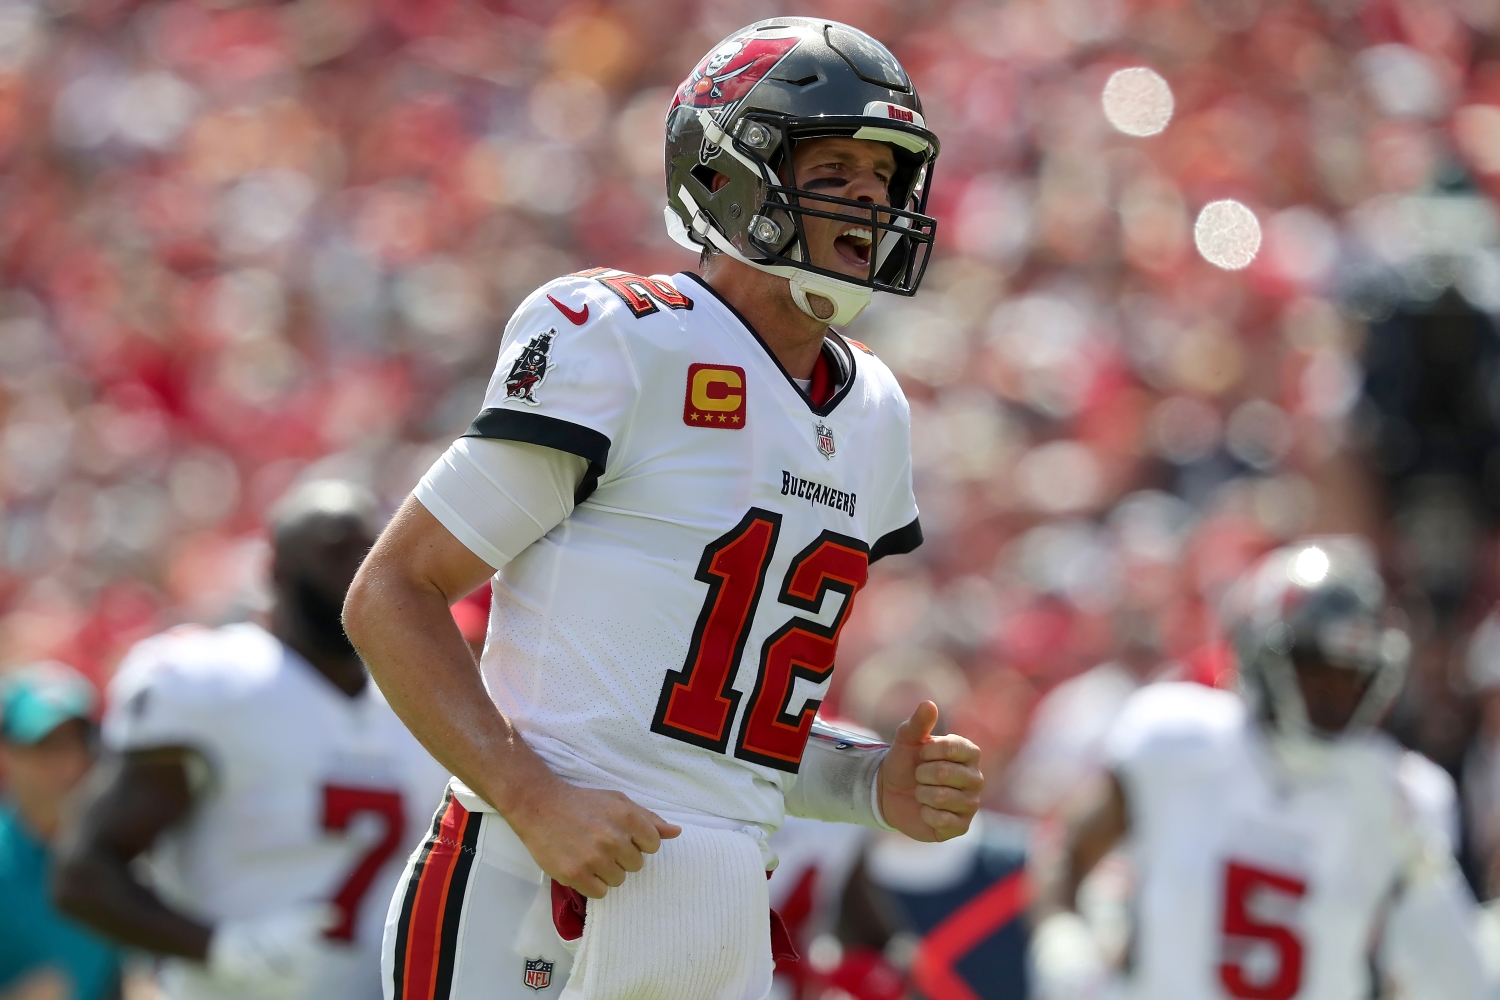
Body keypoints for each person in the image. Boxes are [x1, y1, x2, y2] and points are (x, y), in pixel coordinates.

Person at [342, 17, 984, 1000]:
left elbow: (716, 735)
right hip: (540, 877)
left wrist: (867, 788)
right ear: (735, 171)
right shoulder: (623, 338)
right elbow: (392, 592)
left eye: (885, 176)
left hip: (716, 904)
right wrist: (530, 793)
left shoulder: (875, 411)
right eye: (837, 167)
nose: (871, 198)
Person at [1029, 536, 1488, 1000]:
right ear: (1259, 652)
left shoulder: (1402, 794)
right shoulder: (1176, 742)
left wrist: (1421, 870)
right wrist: (1063, 946)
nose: (1334, 694)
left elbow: (1456, 984)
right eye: (1315, 668)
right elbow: (1069, 849)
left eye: (1353, 674)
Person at [53, 481, 451, 1000]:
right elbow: (83, 872)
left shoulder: (415, 696)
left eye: (370, 550)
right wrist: (223, 949)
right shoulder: (209, 684)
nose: (358, 568)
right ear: (277, 572)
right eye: (335, 550)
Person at [0, 662, 121, 1000]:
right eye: (45, 744)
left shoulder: (117, 858)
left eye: (78, 742)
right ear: (7, 751)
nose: (66, 763)